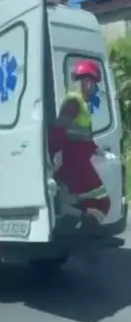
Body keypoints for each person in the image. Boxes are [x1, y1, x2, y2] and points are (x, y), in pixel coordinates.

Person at [49, 59, 110, 229]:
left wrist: (97, 150)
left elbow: (81, 136)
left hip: (76, 162)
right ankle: (86, 233)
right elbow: (59, 130)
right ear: (88, 82)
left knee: (86, 201)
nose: (95, 88)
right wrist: (55, 154)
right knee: (101, 202)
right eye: (94, 83)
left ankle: (76, 226)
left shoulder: (78, 103)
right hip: (75, 164)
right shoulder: (74, 102)